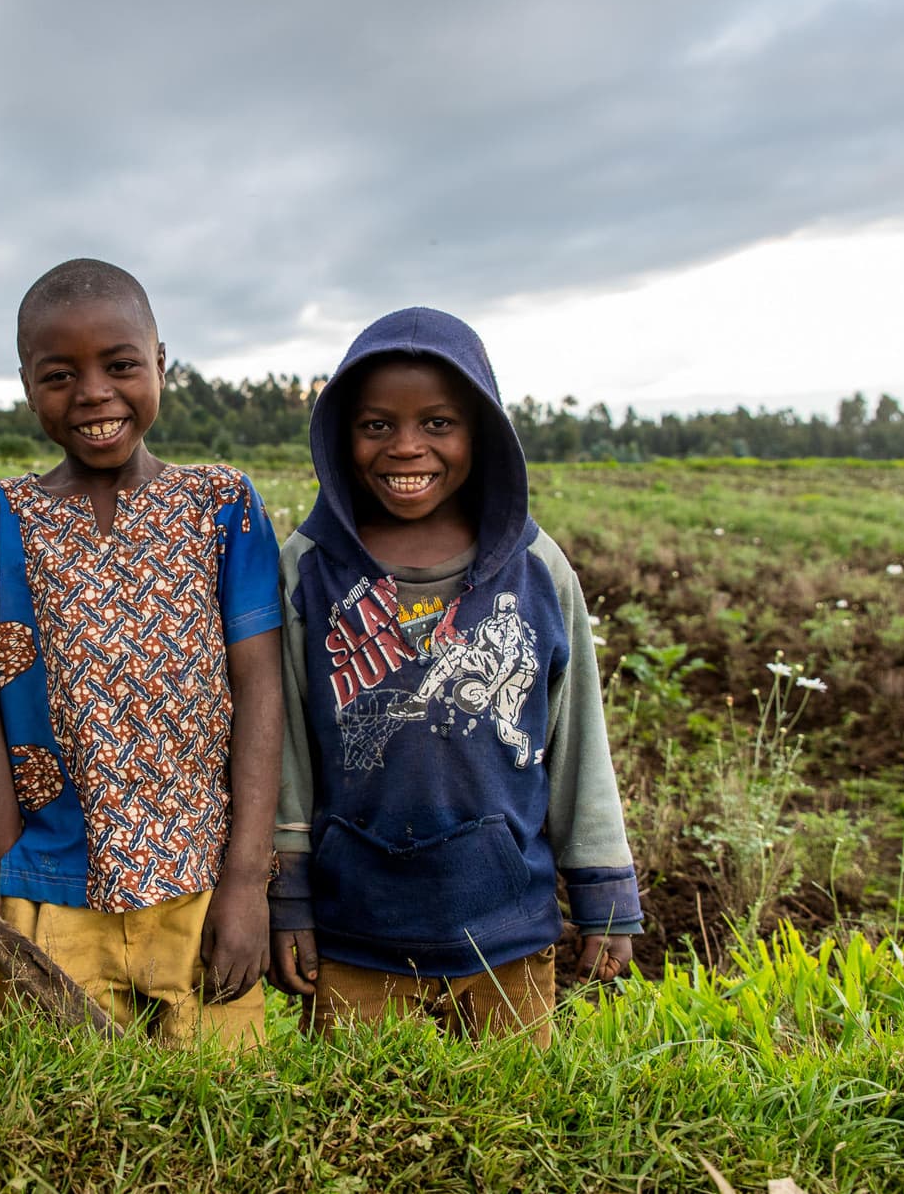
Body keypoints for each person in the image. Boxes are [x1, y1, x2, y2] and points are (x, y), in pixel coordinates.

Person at [266, 306, 642, 1044]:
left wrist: (603, 890)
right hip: (355, 928)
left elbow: (577, 739)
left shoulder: (537, 571)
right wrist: (290, 897)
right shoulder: (307, 571)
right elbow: (285, 750)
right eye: (377, 424)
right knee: (353, 1127)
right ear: (342, 433)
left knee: (512, 1126)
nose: (407, 446)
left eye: (438, 423)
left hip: (506, 924)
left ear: (483, 433)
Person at [0, 258, 284, 1046]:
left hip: (201, 882)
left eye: (122, 364)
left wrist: (246, 880)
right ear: (28, 383)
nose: (94, 393)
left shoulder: (221, 504)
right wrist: (9, 864)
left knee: (221, 1109)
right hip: (52, 889)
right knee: (69, 1116)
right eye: (60, 373)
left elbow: (260, 685)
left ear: (162, 363)